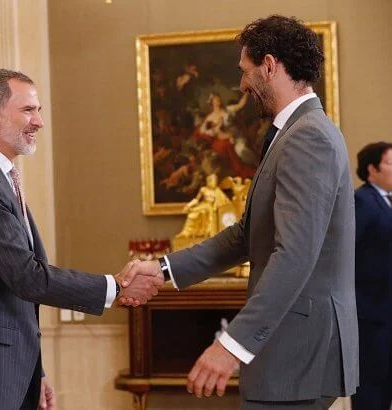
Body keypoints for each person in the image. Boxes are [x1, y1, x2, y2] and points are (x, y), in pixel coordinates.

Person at [119, 15, 358, 409]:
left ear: (269, 65)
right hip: (291, 352)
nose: (242, 84)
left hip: (298, 353)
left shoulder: (308, 137)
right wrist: (162, 270)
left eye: (245, 72)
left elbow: (295, 255)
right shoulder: (292, 133)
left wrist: (231, 345)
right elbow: (247, 235)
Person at [0, 69, 162, 410]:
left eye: (39, 110)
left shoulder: (1, 179)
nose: (39, 122)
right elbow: (26, 276)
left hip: (5, 371)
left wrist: (37, 371)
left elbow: (13, 291)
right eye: (28, 110)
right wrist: (115, 288)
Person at [351, 142, 392, 410]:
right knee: (372, 394)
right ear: (372, 169)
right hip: (373, 318)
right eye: (391, 163)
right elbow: (346, 252)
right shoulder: (361, 201)